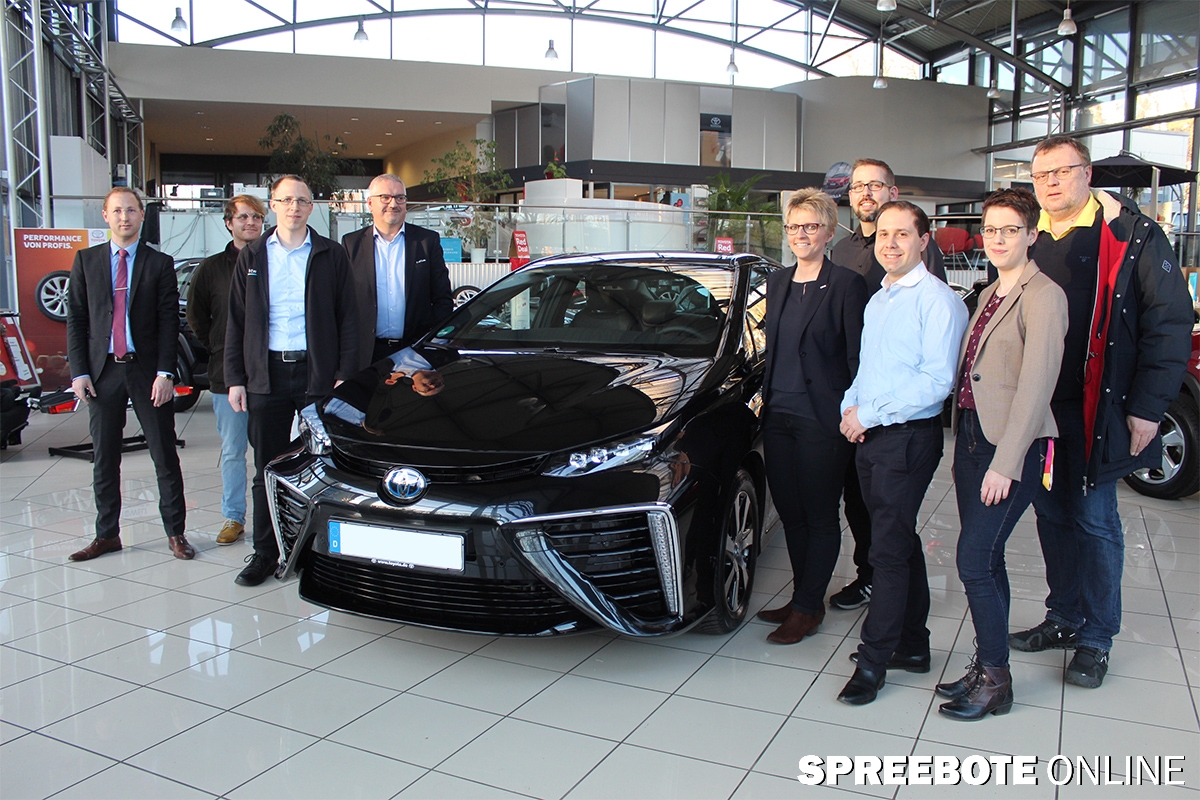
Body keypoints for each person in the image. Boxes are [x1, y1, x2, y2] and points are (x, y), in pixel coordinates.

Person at [1008, 136, 1194, 689]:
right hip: (1040, 413)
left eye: (1061, 171)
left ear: (1087, 173)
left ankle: (1096, 638)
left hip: (1099, 410)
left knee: (1095, 521)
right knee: (1050, 516)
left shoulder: (1132, 234)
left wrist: (1148, 408)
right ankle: (1064, 616)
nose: (1050, 183)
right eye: (1041, 174)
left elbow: (1169, 323)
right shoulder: (1031, 236)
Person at [936, 188, 1067, 720]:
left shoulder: (1045, 296)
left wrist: (1005, 463)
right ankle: (985, 665)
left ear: (1032, 234)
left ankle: (996, 680)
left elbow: (1036, 390)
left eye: (1010, 229)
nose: (998, 238)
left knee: (972, 560)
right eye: (990, 229)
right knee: (988, 559)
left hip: (1012, 447)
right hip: (972, 439)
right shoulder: (991, 290)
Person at [836, 200, 968, 706]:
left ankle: (874, 661)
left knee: (886, 550)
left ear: (924, 241)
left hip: (908, 437)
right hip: (871, 432)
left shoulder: (938, 302)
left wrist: (868, 414)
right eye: (884, 234)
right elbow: (867, 368)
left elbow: (937, 382)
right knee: (899, 539)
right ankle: (913, 644)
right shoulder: (880, 298)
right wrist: (851, 408)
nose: (890, 243)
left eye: (902, 234)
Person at [225, 174, 359, 586]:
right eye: (286, 200)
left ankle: (320, 552)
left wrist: (344, 375)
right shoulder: (253, 255)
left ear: (311, 207)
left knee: (326, 465)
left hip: (317, 374)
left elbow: (348, 317)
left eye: (301, 201)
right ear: (273, 205)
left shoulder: (331, 254)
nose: (294, 207)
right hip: (265, 375)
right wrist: (235, 378)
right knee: (266, 467)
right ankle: (265, 553)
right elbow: (236, 320)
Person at [827, 158, 947, 613]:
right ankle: (870, 578)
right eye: (858, 186)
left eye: (875, 185)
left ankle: (891, 604)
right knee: (859, 505)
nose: (865, 193)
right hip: (855, 397)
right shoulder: (842, 250)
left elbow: (929, 362)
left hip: (896, 411)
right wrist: (851, 406)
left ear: (892, 192)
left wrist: (871, 409)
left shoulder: (912, 254)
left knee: (890, 525)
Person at [756, 189, 869, 644]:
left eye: (811, 226)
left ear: (828, 232)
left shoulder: (846, 284)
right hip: (778, 415)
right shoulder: (778, 281)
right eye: (793, 226)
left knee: (820, 514)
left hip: (823, 418)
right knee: (791, 513)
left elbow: (857, 356)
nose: (801, 234)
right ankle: (802, 597)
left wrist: (856, 410)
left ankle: (807, 609)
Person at [66, 186, 193, 562]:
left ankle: (176, 533)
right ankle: (106, 535)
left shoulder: (160, 263)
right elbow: (77, 319)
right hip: (102, 372)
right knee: (105, 458)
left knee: (164, 455)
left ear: (141, 215)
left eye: (131, 210)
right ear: (106, 215)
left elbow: (169, 322)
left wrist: (166, 373)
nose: (125, 217)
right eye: (117, 210)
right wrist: (79, 372)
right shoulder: (86, 260)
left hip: (147, 371)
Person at [186, 194, 266, 546]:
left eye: (257, 217)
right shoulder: (211, 268)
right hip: (226, 373)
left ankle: (273, 516)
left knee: (272, 453)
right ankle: (233, 517)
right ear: (229, 223)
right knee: (234, 450)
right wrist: (220, 347)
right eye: (243, 217)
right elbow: (196, 316)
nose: (251, 222)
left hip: (269, 373)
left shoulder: (272, 259)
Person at [343, 174, 453, 368]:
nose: (393, 204)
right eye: (385, 197)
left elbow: (442, 298)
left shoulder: (427, 241)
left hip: (415, 353)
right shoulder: (351, 244)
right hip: (367, 354)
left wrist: (432, 345)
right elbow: (343, 303)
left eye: (399, 198)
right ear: (370, 203)